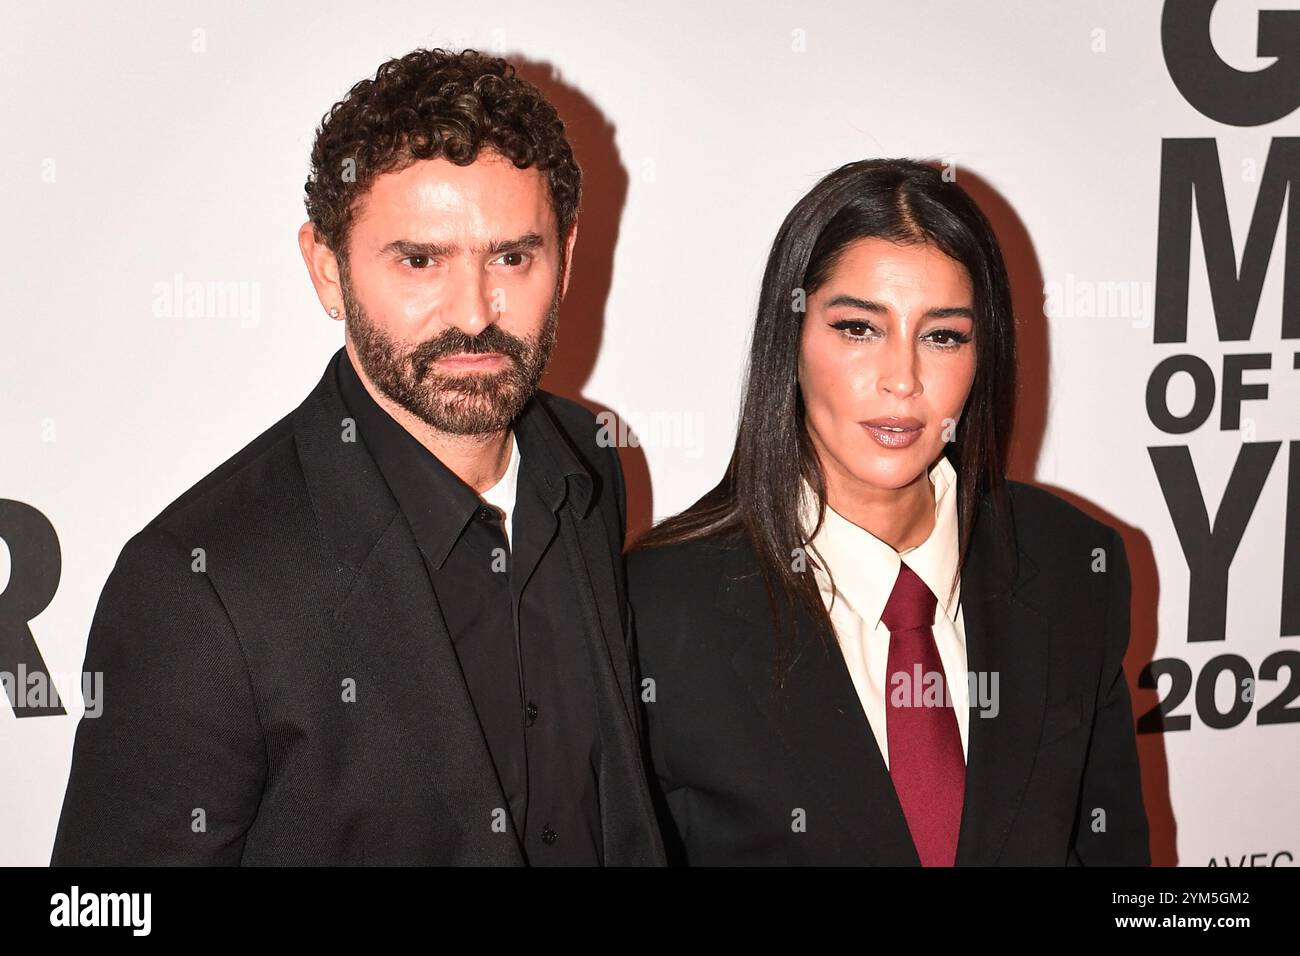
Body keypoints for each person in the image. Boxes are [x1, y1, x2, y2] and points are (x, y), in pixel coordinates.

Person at [51, 48, 664, 866]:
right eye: (420, 260)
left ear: (568, 255)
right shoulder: (198, 587)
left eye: (512, 256)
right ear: (327, 269)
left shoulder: (585, 466)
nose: (476, 312)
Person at [627, 159, 1149, 866]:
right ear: (792, 342)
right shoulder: (658, 611)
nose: (902, 380)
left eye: (943, 336)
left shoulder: (1072, 565)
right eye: (858, 329)